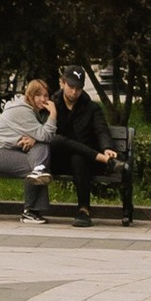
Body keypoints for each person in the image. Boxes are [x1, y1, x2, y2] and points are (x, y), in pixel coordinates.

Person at [0, 74, 56, 218]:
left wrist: (34, 139)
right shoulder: (23, 110)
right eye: (39, 95)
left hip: (8, 150)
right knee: (33, 170)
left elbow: (41, 137)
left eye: (46, 95)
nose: (44, 99)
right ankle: (29, 212)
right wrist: (53, 113)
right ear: (30, 95)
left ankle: (34, 209)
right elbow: (46, 135)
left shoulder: (28, 108)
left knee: (38, 164)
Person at [48, 68, 112, 224]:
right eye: (71, 87)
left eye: (78, 88)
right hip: (57, 160)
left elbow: (101, 130)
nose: (74, 92)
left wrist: (107, 147)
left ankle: (84, 210)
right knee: (56, 140)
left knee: (78, 157)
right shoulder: (52, 105)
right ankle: (32, 209)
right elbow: (44, 132)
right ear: (62, 83)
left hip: (84, 163)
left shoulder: (91, 108)